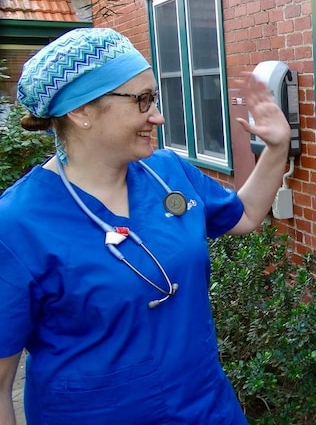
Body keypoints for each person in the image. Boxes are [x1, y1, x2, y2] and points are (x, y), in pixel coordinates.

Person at [0, 27, 291, 424]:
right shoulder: (17, 224)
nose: (158, 115)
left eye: (153, 97)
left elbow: (244, 216)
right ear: (81, 111)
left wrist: (277, 147)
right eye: (142, 100)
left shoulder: (166, 172)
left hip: (207, 409)